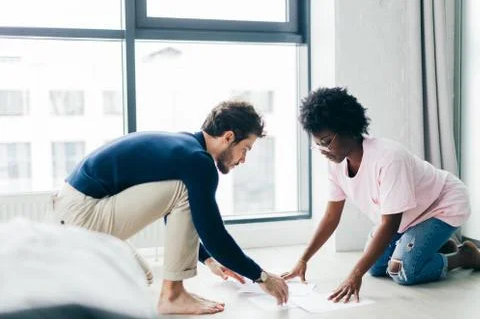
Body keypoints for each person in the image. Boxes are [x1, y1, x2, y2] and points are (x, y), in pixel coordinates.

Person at [50, 101, 289, 315]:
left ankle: (79, 280)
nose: (243, 159)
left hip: (70, 213)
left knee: (140, 277)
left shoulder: (185, 145)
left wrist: (208, 260)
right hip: (80, 217)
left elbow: (175, 212)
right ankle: (173, 295)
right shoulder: (198, 162)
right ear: (228, 137)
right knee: (184, 190)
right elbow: (213, 233)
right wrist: (261, 276)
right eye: (245, 149)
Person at [282, 87, 480, 303]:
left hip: (441, 204)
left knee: (404, 271)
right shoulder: (336, 166)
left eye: (327, 141)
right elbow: (331, 217)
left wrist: (354, 275)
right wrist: (303, 260)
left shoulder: (389, 158)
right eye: (318, 145)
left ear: (348, 128)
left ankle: (466, 256)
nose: (324, 150)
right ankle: (437, 244)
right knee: (377, 267)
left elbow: (389, 224)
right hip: (410, 217)